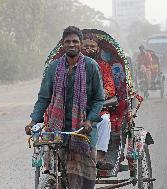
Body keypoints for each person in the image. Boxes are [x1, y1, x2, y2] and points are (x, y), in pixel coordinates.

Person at [25, 26, 105, 189]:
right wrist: (33, 121)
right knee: (53, 169)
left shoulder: (91, 66)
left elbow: (98, 99)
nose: (71, 44)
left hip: (83, 130)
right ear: (63, 44)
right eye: (68, 41)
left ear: (81, 44)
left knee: (84, 178)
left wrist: (89, 121)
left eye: (75, 41)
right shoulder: (53, 68)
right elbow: (44, 98)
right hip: (57, 130)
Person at [81, 33, 116, 170]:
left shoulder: (104, 66)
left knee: (105, 121)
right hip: (75, 108)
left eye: (92, 46)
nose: (89, 49)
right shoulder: (72, 64)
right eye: (86, 46)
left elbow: (110, 87)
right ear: (80, 48)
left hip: (98, 107)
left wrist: (99, 95)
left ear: (98, 49)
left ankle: (99, 157)